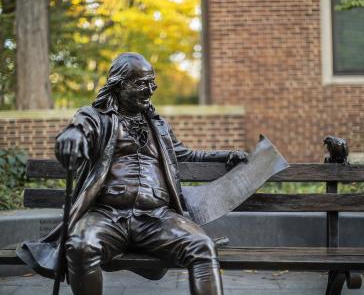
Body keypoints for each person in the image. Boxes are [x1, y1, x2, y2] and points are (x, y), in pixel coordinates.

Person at [18, 52, 247, 295]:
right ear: (118, 85)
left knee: (202, 247)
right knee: (81, 245)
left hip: (157, 217)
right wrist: (71, 136)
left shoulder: (158, 125)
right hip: (106, 216)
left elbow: (186, 154)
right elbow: (80, 128)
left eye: (152, 83)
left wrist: (225, 155)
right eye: (140, 83)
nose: (149, 90)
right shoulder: (96, 117)